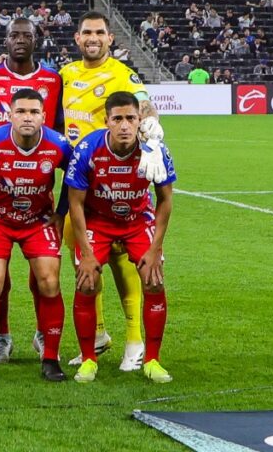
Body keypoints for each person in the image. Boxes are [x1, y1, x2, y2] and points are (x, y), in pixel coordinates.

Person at [59, 11, 166, 372]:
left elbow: (144, 104)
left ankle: (135, 342)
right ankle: (99, 335)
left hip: (117, 182)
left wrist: (151, 126)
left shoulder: (123, 74)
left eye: (100, 32)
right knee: (83, 261)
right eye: (87, 32)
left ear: (110, 39)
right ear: (77, 38)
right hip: (79, 178)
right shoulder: (67, 74)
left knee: (125, 263)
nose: (93, 37)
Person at [0, 18, 64, 363]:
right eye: (14, 35)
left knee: (45, 275)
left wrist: (62, 210)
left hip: (39, 192)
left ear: (38, 40)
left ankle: (43, 334)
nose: (20, 40)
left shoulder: (53, 79)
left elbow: (62, 132)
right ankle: (2, 337)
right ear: (4, 40)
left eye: (27, 35)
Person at [65, 91, 175, 384]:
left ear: (140, 120)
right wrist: (86, 254)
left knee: (154, 280)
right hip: (97, 222)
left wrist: (155, 248)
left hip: (137, 221)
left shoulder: (155, 151)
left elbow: (165, 200)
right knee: (87, 283)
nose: (124, 125)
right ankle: (89, 359)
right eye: (118, 119)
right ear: (107, 121)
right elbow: (75, 203)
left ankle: (152, 360)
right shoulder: (88, 149)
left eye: (130, 118)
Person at [0, 89, 72, 382]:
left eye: (34, 112)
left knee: (49, 281)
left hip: (37, 221)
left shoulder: (58, 144)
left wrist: (61, 212)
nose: (28, 118)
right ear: (10, 115)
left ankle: (50, 357)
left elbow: (75, 176)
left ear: (43, 116)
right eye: (21, 112)